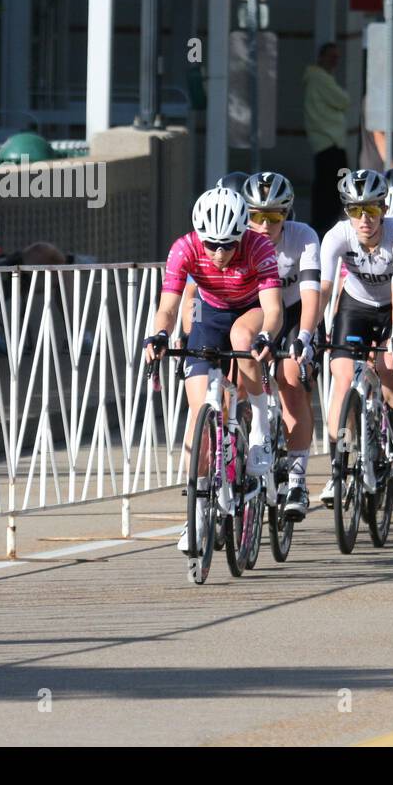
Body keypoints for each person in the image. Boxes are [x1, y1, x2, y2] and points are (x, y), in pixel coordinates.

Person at [143, 187, 284, 554]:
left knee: (241, 337)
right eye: (212, 245)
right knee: (199, 415)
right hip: (209, 312)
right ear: (198, 237)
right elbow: (169, 308)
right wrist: (158, 334)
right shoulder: (184, 247)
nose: (220, 254)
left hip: (250, 309)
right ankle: (197, 514)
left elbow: (273, 308)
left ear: (242, 236)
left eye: (229, 245)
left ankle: (260, 427)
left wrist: (267, 334)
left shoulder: (258, 247)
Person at [317, 169, 393, 506]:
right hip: (355, 304)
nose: (364, 219)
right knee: (343, 378)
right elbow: (325, 289)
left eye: (372, 210)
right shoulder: (337, 235)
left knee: (389, 365)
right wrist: (309, 330)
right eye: (355, 210)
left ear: (384, 209)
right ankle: (339, 466)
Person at [239, 171, 321, 517]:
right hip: (255, 310)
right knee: (238, 374)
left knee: (290, 380)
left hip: (295, 310)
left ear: (288, 214)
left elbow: (311, 294)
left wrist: (304, 337)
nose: (265, 224)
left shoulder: (303, 237)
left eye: (275, 216)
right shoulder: (239, 237)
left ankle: (298, 479)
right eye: (257, 215)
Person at [303, 43, 351, 237]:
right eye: (331, 57)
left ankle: (326, 222)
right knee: (335, 184)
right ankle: (326, 223)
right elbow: (344, 100)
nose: (334, 62)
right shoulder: (319, 78)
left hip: (329, 142)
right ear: (321, 57)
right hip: (329, 142)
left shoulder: (320, 78)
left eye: (337, 57)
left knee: (328, 184)